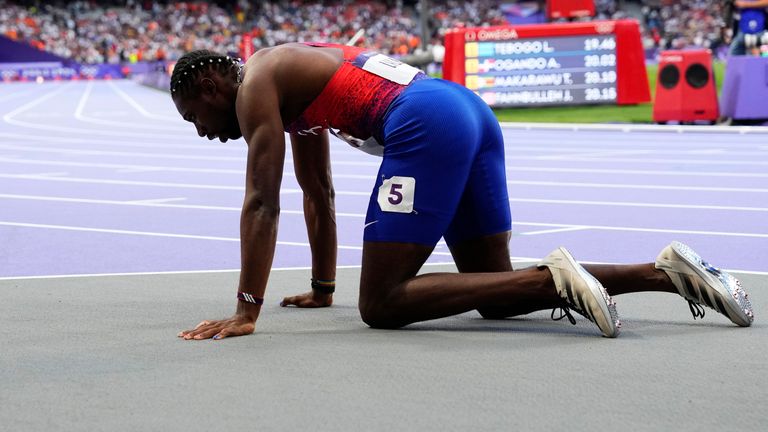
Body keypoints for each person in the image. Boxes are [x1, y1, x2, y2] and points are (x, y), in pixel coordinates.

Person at [171, 42, 753, 341]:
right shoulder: (285, 78)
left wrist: (246, 311)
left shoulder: (255, 90)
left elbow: (262, 203)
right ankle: (664, 273)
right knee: (494, 291)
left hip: (426, 123)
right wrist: (323, 289)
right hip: (466, 110)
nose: (201, 132)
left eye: (193, 115)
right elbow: (317, 192)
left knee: (382, 304)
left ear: (211, 83)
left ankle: (554, 279)